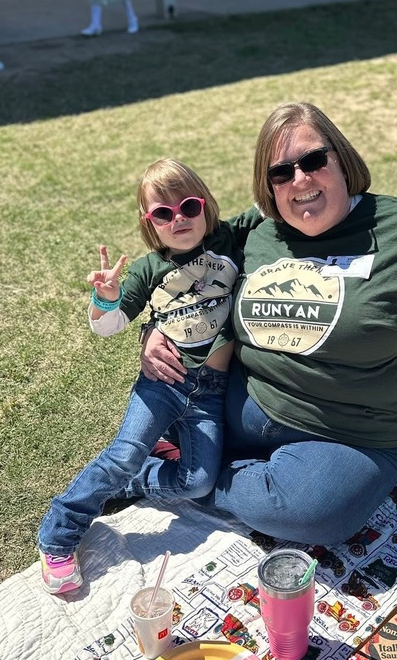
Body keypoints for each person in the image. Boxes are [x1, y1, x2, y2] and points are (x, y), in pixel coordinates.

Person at [139, 102, 397, 546]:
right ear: (268, 188)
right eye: (281, 173)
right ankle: (203, 465)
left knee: (312, 515)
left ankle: (177, 477)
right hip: (247, 400)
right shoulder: (258, 233)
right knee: (162, 404)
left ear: (342, 160)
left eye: (313, 161)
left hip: (350, 434)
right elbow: (187, 272)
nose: (300, 180)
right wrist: (153, 329)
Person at [37, 158, 245, 594]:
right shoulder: (149, 269)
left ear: (206, 205)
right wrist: (106, 297)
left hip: (211, 392)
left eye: (189, 206)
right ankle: (57, 536)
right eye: (163, 214)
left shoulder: (230, 239)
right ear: (150, 223)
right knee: (121, 454)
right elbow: (107, 326)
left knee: (197, 482)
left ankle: (134, 480)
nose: (179, 219)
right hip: (162, 385)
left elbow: (271, 206)